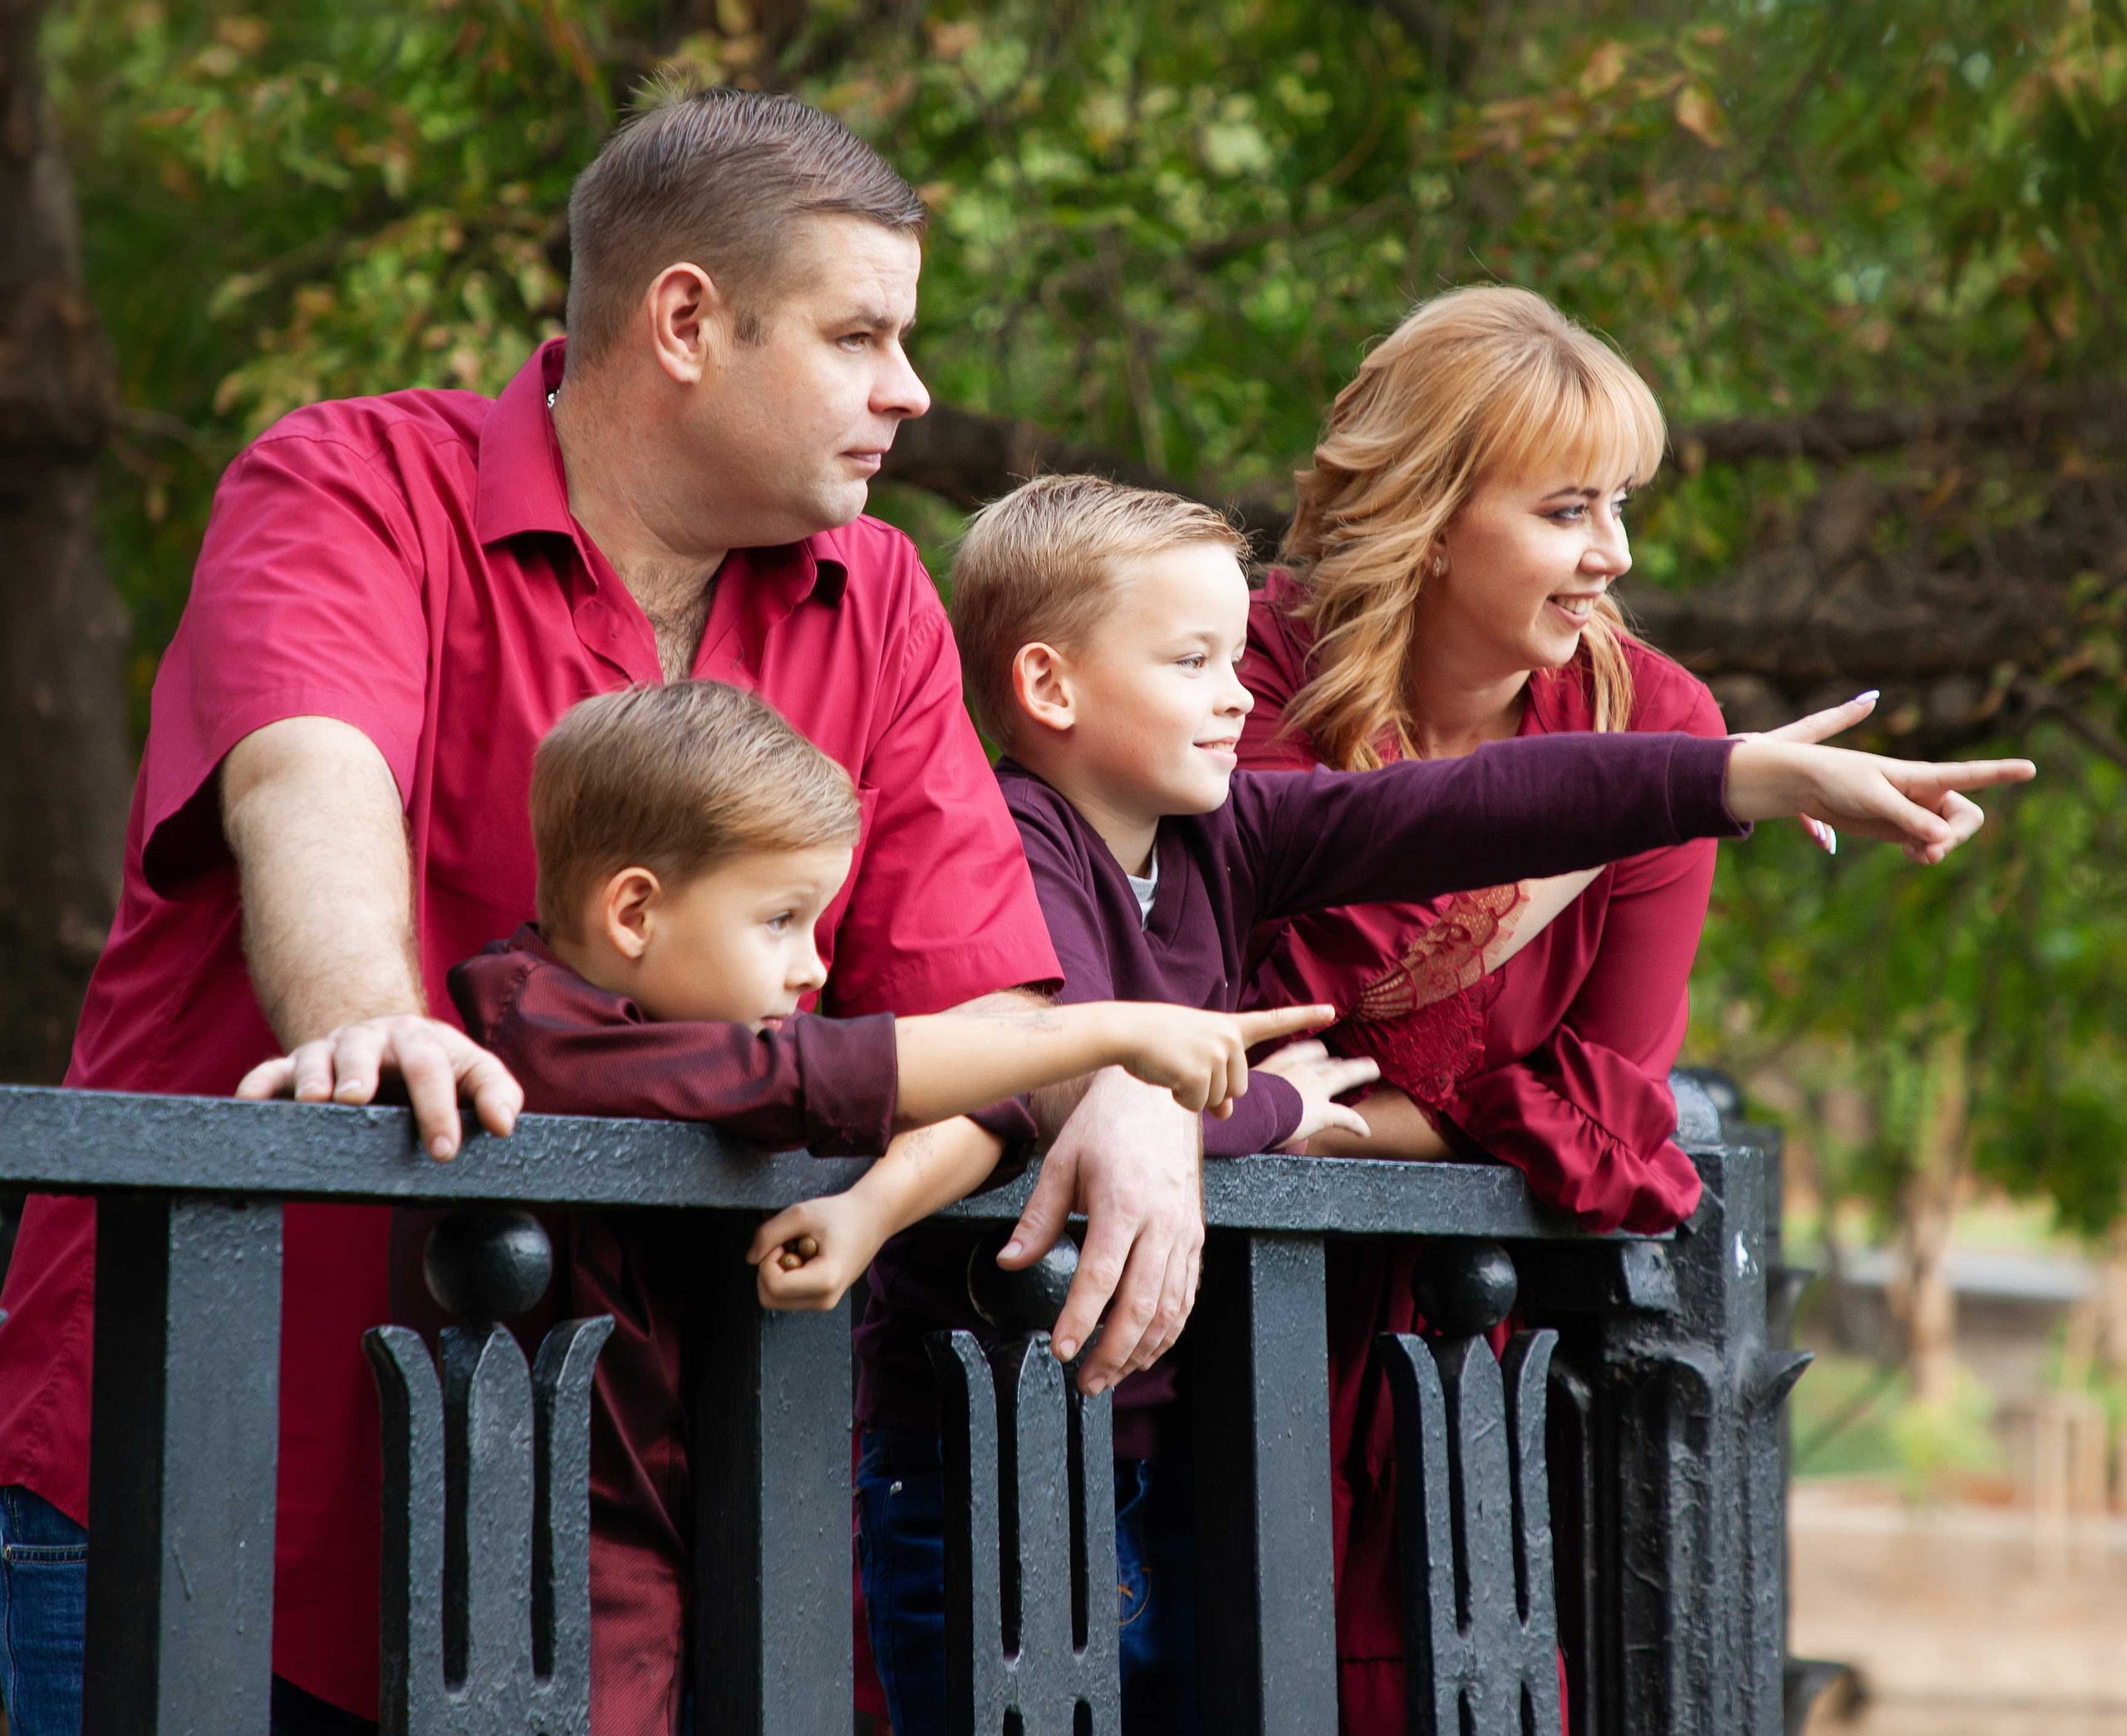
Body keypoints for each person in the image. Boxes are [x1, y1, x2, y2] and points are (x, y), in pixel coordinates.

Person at [0, 86, 1190, 1736]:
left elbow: (978, 1005)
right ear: (686, 319)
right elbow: (306, 778)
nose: (907, 391)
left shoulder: (884, 598)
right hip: (203, 1490)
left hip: (606, 1560)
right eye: (860, 336)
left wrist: (1117, 1091)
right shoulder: (349, 479)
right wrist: (368, 1011)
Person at [855, 471, 2034, 1736]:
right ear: (1050, 688)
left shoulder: (1226, 835)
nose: (1240, 695)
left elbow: (1466, 807)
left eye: (1232, 659)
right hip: (987, 1459)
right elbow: (1064, 1092)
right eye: (1194, 661)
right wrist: (1273, 1116)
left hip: (1158, 1448)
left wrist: (1740, 778)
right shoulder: (1010, 850)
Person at [237, 678, 1323, 1736]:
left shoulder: (672, 1028)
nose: (814, 967)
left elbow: (991, 1099)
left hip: (699, 1529)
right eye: (782, 920)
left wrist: (871, 1212)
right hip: (556, 1549)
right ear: (634, 912)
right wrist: (1112, 1030)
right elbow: (816, 1072)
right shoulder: (542, 1033)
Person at [1232, 283, 1873, 1729]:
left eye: (1622, 506)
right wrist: (1582, 831)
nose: (1614, 558)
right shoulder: (1243, 667)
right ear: (1430, 509)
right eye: (1570, 510)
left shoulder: (1657, 720)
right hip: (1208, 1337)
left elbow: (1612, 1111)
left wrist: (1337, 1133)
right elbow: (1259, 1011)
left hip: (1472, 1370)